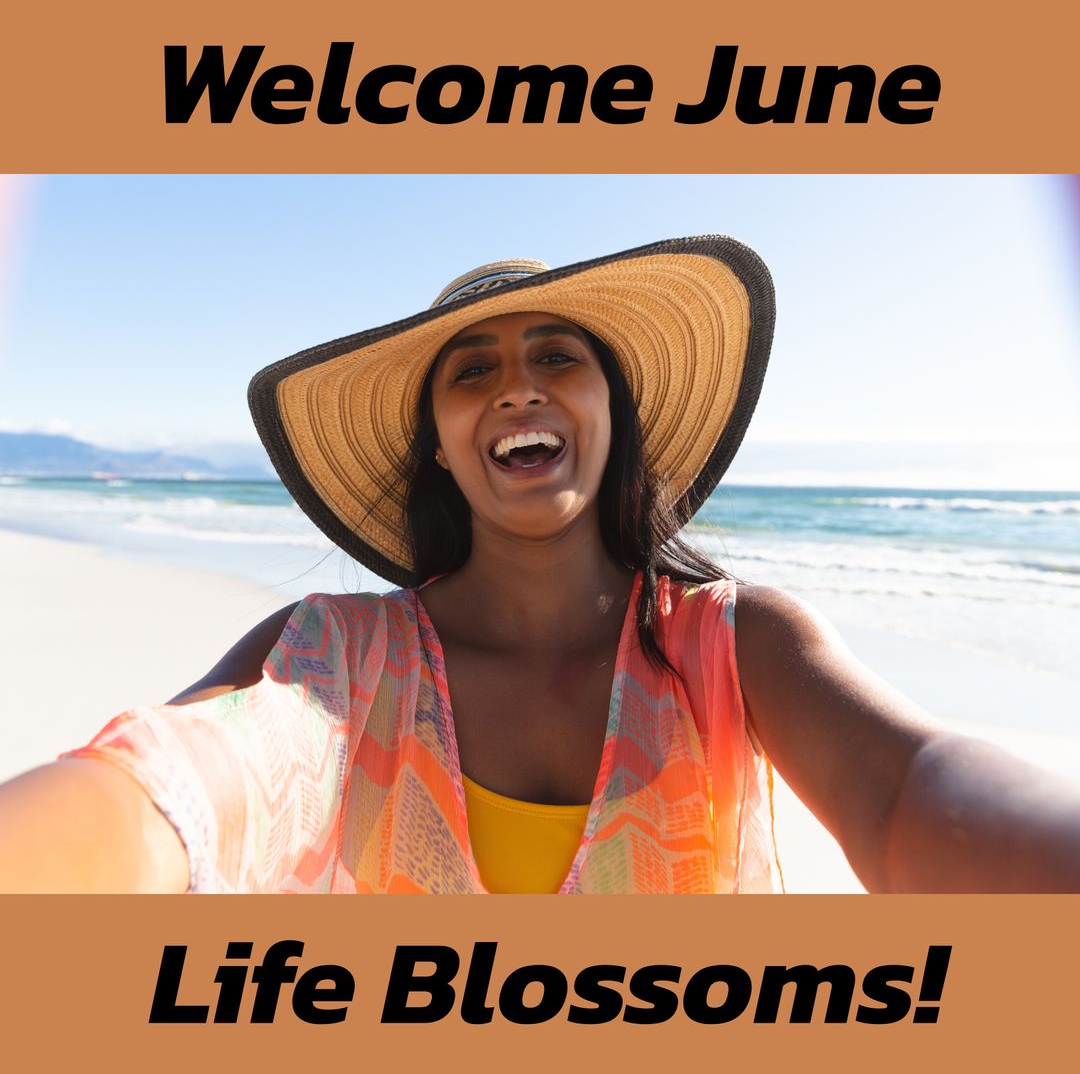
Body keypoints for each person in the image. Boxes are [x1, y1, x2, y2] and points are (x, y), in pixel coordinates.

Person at [1, 236, 1078, 894]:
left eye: (558, 358)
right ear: (437, 440)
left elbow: (904, 795)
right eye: (474, 371)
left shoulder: (739, 648)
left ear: (612, 411)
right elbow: (164, 795)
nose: (519, 388)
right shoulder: (331, 658)